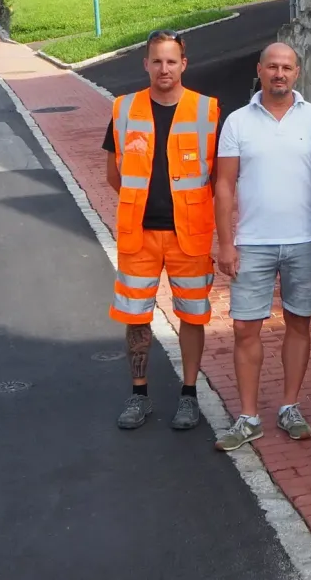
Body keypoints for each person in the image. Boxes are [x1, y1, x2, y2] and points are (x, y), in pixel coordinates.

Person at [212, 43, 311, 452]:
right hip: (252, 243)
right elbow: (224, 184)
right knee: (246, 328)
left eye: (287, 68)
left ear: (297, 73)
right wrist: (226, 242)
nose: (279, 74)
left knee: (299, 323)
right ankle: (248, 417)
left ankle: (290, 407)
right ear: (259, 70)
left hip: (305, 239)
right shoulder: (237, 122)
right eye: (272, 67)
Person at [103, 30, 219, 432]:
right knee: (136, 316)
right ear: (146, 64)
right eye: (157, 61)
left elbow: (219, 179)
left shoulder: (208, 111)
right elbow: (113, 174)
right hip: (139, 235)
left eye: (172, 61)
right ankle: (139, 394)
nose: (164, 68)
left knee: (193, 315)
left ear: (183, 64)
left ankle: (189, 396)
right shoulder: (123, 109)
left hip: (190, 235)